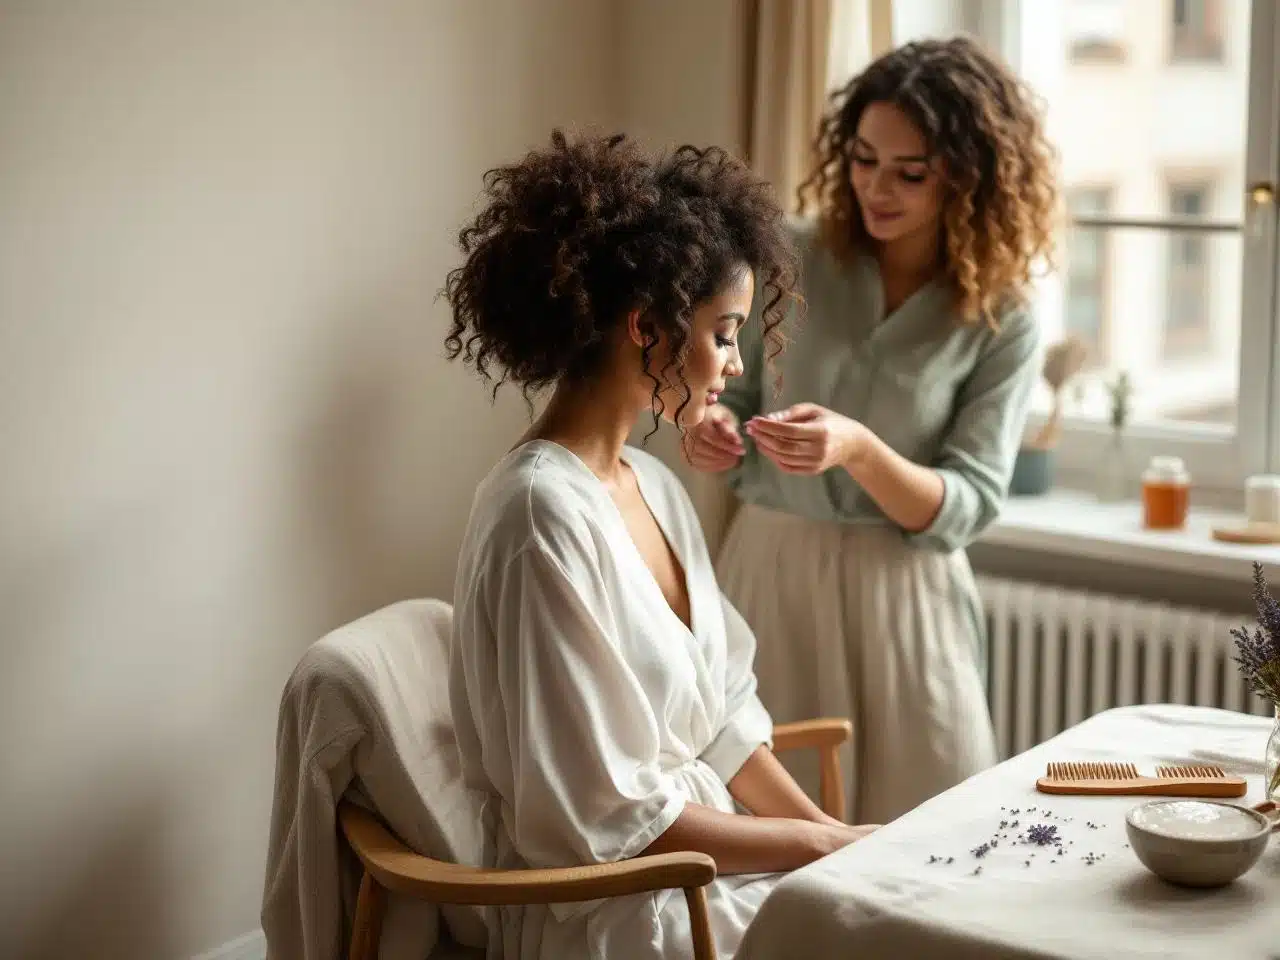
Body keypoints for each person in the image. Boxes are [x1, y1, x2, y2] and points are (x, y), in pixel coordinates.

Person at [445, 131, 878, 960]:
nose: (736, 364)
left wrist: (834, 839)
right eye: (724, 333)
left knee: (899, 913)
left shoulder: (653, 485)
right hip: (613, 908)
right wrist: (816, 849)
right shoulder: (538, 518)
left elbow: (722, 720)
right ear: (647, 326)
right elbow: (607, 821)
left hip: (701, 868)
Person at [686, 36, 1060, 825]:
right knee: (771, 835)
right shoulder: (785, 257)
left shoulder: (1002, 317)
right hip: (772, 573)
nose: (875, 188)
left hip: (906, 596)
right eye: (862, 159)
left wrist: (858, 449)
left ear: (970, 177)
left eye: (909, 172)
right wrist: (711, 428)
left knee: (931, 834)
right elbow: (729, 393)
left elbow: (969, 502)